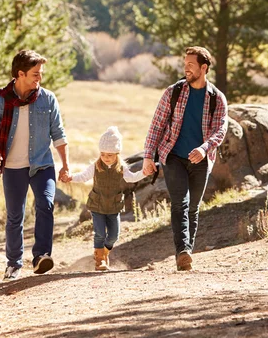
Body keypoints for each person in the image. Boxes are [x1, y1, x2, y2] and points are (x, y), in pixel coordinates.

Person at [0, 49, 70, 280]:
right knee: (15, 216)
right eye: (35, 74)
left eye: (40, 73)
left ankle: (41, 257)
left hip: (42, 165)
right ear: (20, 74)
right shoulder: (1, 100)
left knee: (46, 204)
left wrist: (65, 165)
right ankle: (14, 264)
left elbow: (58, 133)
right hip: (13, 167)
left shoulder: (47, 99)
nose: (40, 78)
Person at [142, 46, 228, 271]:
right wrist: (148, 157)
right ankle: (183, 252)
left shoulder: (216, 98)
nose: (186, 68)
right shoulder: (174, 92)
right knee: (180, 203)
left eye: (191, 65)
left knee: (194, 207)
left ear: (204, 67)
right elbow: (157, 125)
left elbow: (220, 130)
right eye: (185, 64)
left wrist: (204, 148)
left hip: (202, 160)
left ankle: (186, 249)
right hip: (173, 157)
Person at [60, 126, 149, 271]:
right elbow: (83, 176)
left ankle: (104, 252)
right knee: (100, 233)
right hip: (97, 205)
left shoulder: (122, 168)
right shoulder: (95, 166)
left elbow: (132, 178)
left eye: (110, 155)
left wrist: (144, 172)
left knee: (113, 236)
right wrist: (71, 177)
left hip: (114, 206)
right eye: (103, 154)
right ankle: (100, 260)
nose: (106, 158)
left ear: (117, 154)